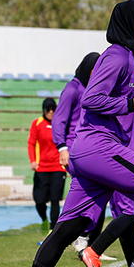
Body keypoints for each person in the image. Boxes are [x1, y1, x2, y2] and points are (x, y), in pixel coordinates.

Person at [13, 0, 134, 267]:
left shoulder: (131, 58)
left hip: (92, 150)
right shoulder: (117, 57)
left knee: (70, 227)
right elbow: (92, 99)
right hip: (97, 146)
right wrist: (131, 103)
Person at [79, 53, 134, 267]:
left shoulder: (132, 96)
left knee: (129, 213)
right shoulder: (123, 97)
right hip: (123, 158)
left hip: (129, 156)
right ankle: (94, 250)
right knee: (133, 211)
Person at [52, 52, 106, 254]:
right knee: (90, 192)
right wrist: (62, 147)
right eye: (95, 69)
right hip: (76, 150)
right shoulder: (72, 89)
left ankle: (89, 243)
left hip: (91, 148)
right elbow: (60, 120)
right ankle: (81, 239)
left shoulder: (92, 89)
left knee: (98, 191)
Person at [27, 98, 67, 233]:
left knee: (55, 200)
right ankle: (44, 219)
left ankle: (52, 229)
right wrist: (33, 160)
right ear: (43, 110)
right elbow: (31, 143)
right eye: (48, 109)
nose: (51, 112)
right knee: (39, 200)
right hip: (41, 168)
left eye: (53, 109)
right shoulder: (37, 124)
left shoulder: (61, 123)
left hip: (58, 168)